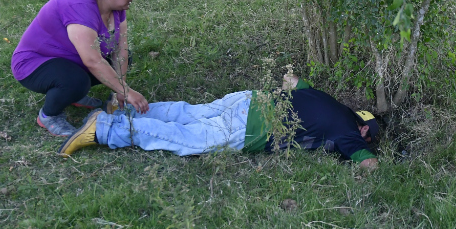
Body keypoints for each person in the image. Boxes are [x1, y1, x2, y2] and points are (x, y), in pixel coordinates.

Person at [55, 75, 381, 169]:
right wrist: (371, 158)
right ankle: (106, 129)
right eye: (367, 138)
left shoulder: (328, 99)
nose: (361, 143)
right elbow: (368, 165)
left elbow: (292, 80)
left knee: (188, 112)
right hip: (251, 128)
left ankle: (119, 109)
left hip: (246, 100)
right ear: (363, 128)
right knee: (188, 139)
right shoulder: (348, 131)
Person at [11, 0, 149, 137]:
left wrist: (120, 90)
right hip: (34, 63)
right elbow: (92, 61)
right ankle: (49, 115)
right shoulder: (79, 7)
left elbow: (120, 49)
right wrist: (127, 91)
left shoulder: (117, 7)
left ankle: (72, 95)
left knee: (123, 59)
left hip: (69, 60)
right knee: (76, 82)